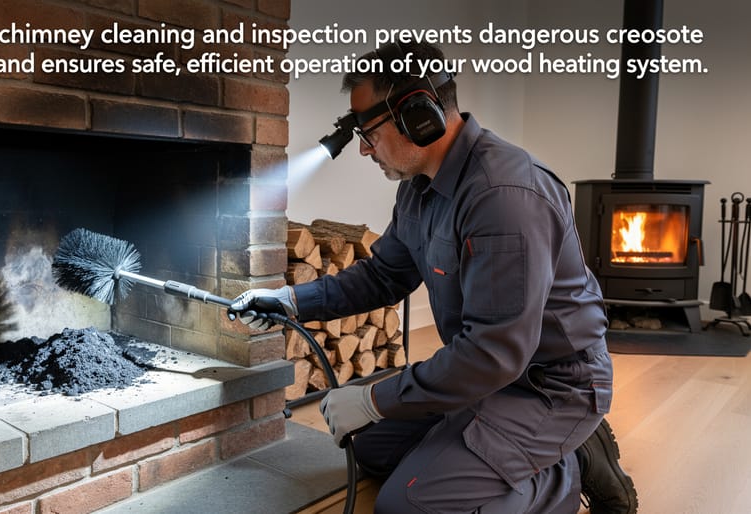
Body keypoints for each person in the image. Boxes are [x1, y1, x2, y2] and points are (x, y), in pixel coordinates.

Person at [229, 42, 637, 514]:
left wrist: (375, 399)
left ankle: (565, 466)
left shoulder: (504, 197)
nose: (363, 148)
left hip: (550, 387)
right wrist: (291, 300)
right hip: (489, 377)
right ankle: (497, 447)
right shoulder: (418, 190)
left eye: (368, 132)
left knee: (409, 504)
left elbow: (493, 352)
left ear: (417, 115)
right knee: (367, 447)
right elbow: (385, 275)